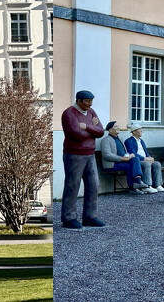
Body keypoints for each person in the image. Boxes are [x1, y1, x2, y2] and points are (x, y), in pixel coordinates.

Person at [61, 90, 106, 230]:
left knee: (94, 184)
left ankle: (90, 216)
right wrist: (93, 130)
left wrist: (87, 126)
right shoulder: (69, 113)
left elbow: (101, 131)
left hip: (90, 154)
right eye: (87, 101)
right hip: (74, 154)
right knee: (72, 185)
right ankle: (69, 217)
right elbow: (76, 134)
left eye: (91, 101)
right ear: (79, 101)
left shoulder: (91, 112)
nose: (90, 104)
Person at [100, 122, 156, 194]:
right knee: (129, 166)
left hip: (122, 162)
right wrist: (122, 158)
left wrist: (129, 156)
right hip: (113, 164)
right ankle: (134, 186)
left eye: (118, 126)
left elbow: (125, 152)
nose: (118, 128)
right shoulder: (105, 140)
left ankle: (136, 182)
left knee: (135, 159)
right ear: (110, 130)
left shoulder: (120, 139)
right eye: (116, 126)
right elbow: (107, 155)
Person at [124, 123, 164, 192]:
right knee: (147, 164)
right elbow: (132, 154)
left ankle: (157, 185)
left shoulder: (141, 141)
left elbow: (145, 152)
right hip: (137, 161)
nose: (141, 131)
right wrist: (145, 159)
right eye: (139, 129)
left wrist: (149, 157)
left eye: (141, 129)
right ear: (133, 132)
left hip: (145, 159)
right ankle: (147, 185)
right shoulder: (129, 141)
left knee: (157, 164)